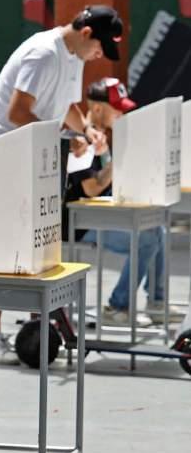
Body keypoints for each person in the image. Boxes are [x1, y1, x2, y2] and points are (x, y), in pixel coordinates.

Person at [0, 4, 123, 363]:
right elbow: (17, 112)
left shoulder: (74, 56)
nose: (99, 55)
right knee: (4, 244)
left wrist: (85, 131)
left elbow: (67, 106)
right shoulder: (43, 54)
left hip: (35, 151)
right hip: (2, 151)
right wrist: (61, 137)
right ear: (86, 33)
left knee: (37, 240)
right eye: (100, 47)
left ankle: (36, 327)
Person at [66, 78, 183, 326]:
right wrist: (119, 161)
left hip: (101, 216)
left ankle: (156, 301)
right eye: (117, 108)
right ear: (98, 108)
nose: (121, 114)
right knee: (148, 237)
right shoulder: (80, 138)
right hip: (79, 225)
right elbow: (90, 188)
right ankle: (117, 306)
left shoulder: (101, 137)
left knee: (158, 231)